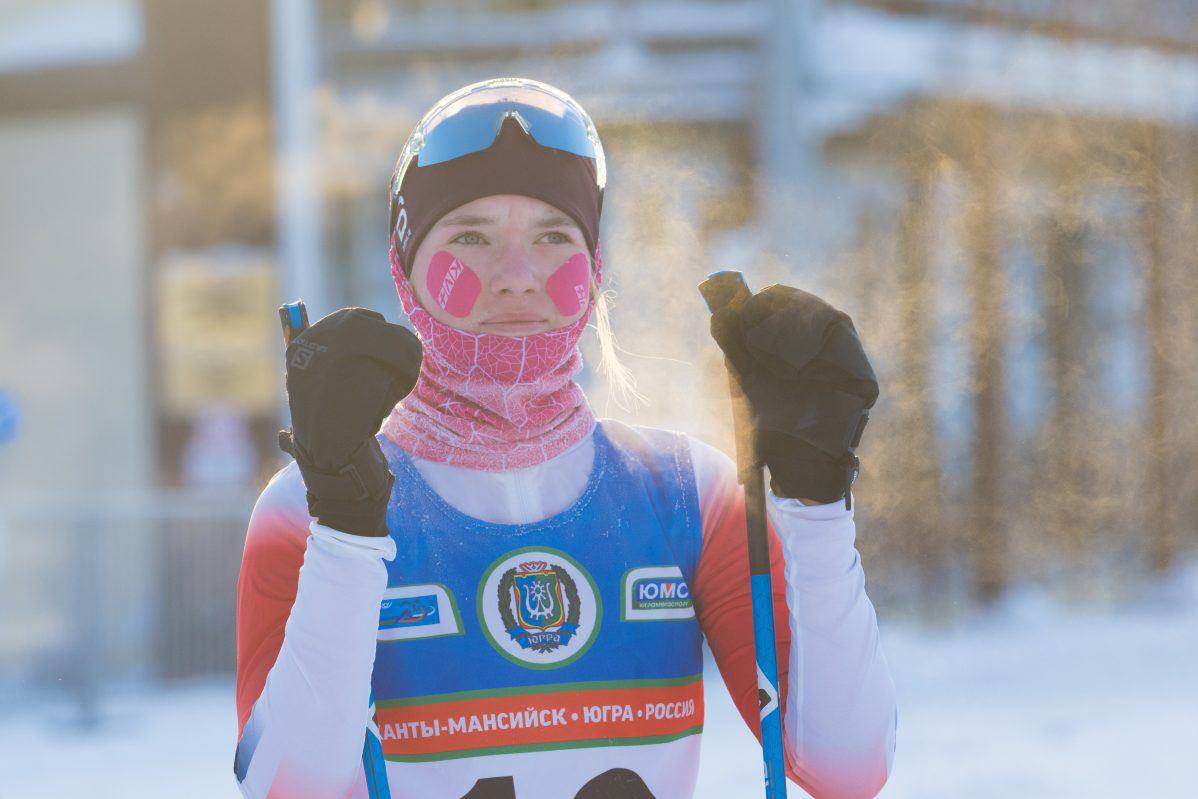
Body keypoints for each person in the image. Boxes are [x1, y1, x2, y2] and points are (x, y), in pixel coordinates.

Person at [234, 78, 896, 799]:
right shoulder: (311, 502)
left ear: (595, 268)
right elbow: (288, 789)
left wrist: (817, 499)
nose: (517, 277)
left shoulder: (686, 493)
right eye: (470, 237)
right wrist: (345, 531)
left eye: (553, 236)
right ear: (405, 269)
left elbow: (847, 767)